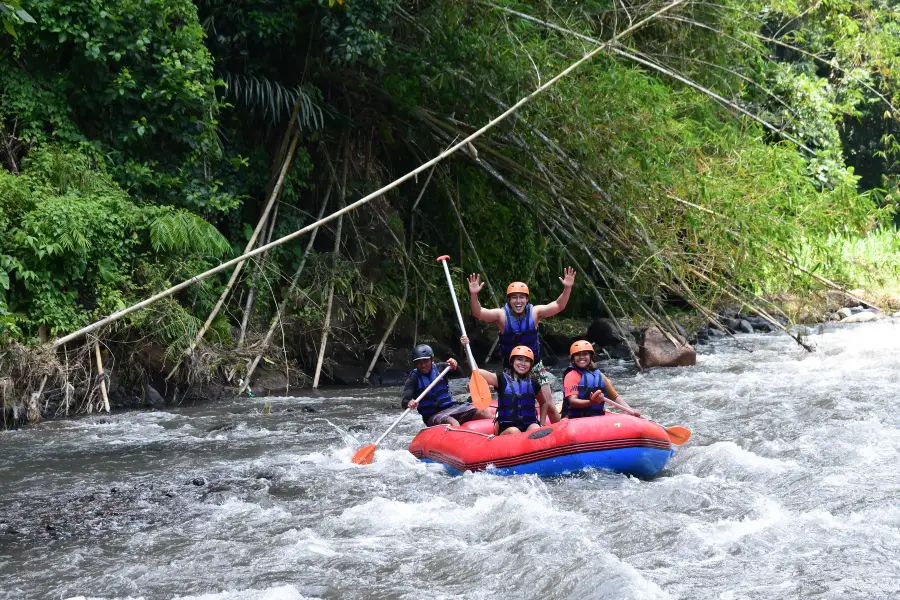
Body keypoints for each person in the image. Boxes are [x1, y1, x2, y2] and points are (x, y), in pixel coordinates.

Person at [467, 268, 577, 425]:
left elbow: (558, 305)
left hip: (535, 365)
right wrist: (474, 294)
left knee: (550, 405)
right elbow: (479, 313)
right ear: (509, 300)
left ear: (527, 299)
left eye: (521, 297)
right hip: (510, 369)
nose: (518, 301)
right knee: (515, 408)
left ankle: (559, 435)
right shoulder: (501, 315)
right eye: (514, 298)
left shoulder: (535, 312)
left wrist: (567, 288)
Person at [462, 338, 550, 436]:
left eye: (527, 361)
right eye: (519, 359)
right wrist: (466, 347)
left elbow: (543, 403)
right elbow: (477, 371)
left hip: (528, 426)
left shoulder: (534, 384)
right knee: (514, 431)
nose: (523, 363)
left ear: (531, 365)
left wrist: (542, 424)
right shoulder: (501, 380)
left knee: (536, 428)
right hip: (507, 429)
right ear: (512, 362)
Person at [402, 343, 493, 426]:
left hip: (451, 407)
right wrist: (409, 403)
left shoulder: (442, 368)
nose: (422, 365)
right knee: (452, 422)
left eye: (425, 361)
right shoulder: (412, 379)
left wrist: (454, 365)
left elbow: (458, 373)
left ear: (432, 359)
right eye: (419, 363)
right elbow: (404, 402)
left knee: (484, 412)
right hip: (432, 415)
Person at [562, 340, 638, 419]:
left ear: (591, 356)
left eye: (585, 354)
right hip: (574, 419)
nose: (581, 357)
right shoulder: (571, 375)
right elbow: (573, 402)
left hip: (596, 418)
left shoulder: (599, 375)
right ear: (573, 358)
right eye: (577, 354)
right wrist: (591, 402)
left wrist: (631, 410)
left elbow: (615, 397)